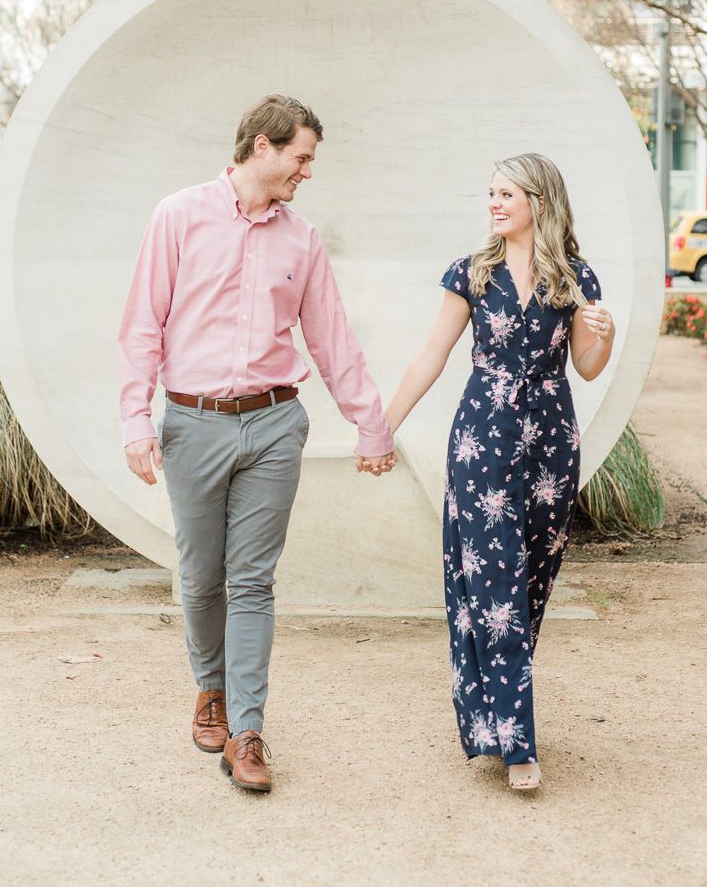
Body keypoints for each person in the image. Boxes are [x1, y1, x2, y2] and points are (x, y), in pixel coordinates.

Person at [118, 95, 396, 794]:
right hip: (193, 423)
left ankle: (246, 731)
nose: (307, 171)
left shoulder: (301, 239)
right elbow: (141, 328)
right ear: (262, 148)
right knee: (200, 572)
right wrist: (134, 421)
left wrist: (371, 423)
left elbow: (331, 339)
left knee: (252, 581)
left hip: (274, 423)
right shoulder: (177, 217)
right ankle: (208, 690)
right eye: (301, 157)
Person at [385, 153, 615, 791]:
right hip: (483, 437)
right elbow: (431, 356)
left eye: (505, 193)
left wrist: (606, 333)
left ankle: (492, 714)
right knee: (494, 589)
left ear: (538, 201)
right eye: (490, 192)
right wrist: (384, 423)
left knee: (530, 583)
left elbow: (589, 367)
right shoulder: (472, 272)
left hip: (550, 444)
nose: (493, 202)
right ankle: (518, 747)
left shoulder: (575, 277)